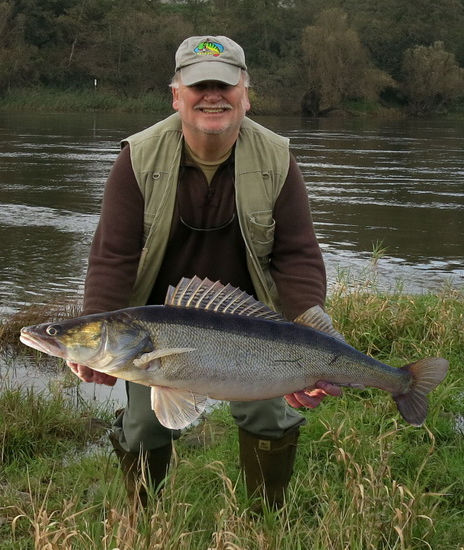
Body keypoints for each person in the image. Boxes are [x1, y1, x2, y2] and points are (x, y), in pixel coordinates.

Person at [67, 35, 341, 509]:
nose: (212, 95)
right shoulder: (137, 158)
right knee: (143, 425)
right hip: (158, 327)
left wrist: (310, 332)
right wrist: (96, 327)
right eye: (199, 86)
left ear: (245, 94)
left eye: (224, 85)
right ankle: (143, 517)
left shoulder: (278, 159)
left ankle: (264, 518)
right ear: (177, 96)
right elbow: (113, 255)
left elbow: (296, 255)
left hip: (255, 323)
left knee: (269, 419)